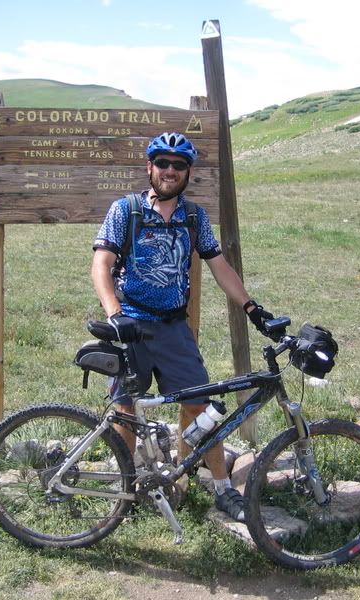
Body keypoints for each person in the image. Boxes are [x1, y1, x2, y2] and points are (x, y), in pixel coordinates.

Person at [91, 131, 274, 522]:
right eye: (162, 163)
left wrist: (252, 307)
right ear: (149, 167)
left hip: (175, 329)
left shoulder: (194, 217)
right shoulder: (126, 210)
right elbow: (101, 264)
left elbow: (218, 264)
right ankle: (124, 494)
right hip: (132, 327)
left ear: (188, 172)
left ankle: (224, 491)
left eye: (179, 165)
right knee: (125, 411)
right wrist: (114, 314)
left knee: (200, 406)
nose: (169, 171)